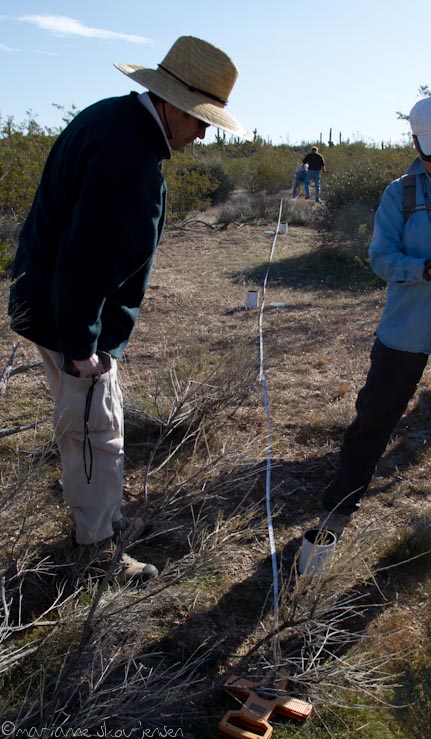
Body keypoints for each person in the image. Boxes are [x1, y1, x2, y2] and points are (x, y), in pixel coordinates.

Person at [8, 36, 248, 581]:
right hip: (66, 318)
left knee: (98, 424)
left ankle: (105, 521)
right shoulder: (129, 158)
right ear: (169, 102)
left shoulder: (111, 120)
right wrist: (82, 347)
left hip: (54, 305)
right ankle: (95, 552)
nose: (204, 131)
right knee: (95, 432)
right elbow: (86, 261)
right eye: (199, 117)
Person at [322, 96, 431, 538]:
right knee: (376, 414)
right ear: (416, 144)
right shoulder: (398, 193)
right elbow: (382, 258)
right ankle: (342, 501)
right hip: (407, 326)